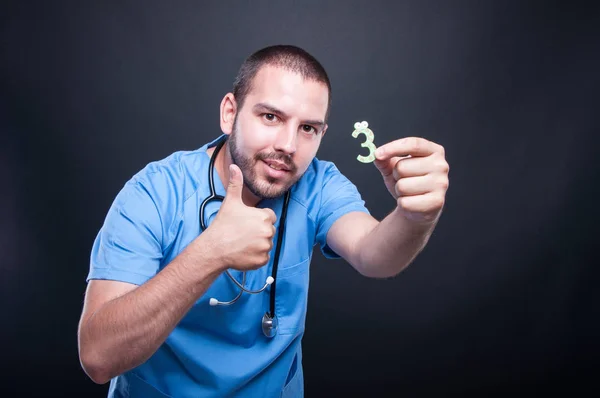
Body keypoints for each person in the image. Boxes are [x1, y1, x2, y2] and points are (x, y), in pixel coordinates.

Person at [77, 44, 450, 397]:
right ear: (230, 112)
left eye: (308, 128)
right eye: (271, 117)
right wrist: (211, 253)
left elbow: (374, 254)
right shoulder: (154, 194)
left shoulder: (319, 184)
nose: (288, 145)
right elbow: (98, 357)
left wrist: (415, 216)